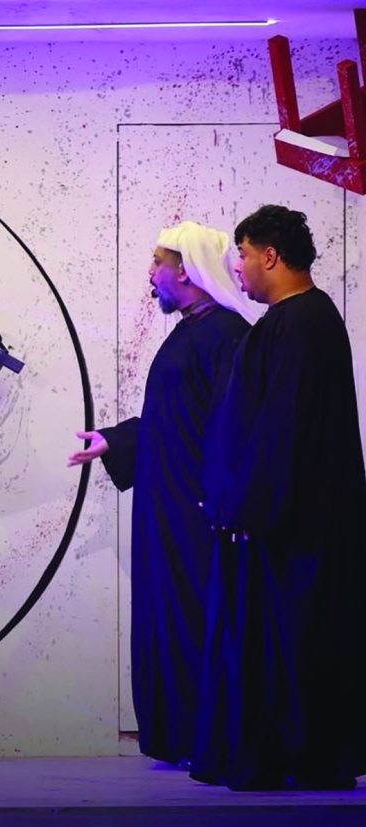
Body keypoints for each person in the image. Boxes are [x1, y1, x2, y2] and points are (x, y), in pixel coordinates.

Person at [190, 205, 366, 790]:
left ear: (269, 255)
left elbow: (283, 427)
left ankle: (297, 758)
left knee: (292, 644)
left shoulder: (302, 322)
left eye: (242, 255)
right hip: (281, 519)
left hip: (292, 529)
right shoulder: (296, 320)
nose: (237, 267)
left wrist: (249, 505)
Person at [68, 221, 252, 765]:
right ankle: (180, 736)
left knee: (197, 613)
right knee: (167, 613)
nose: (151, 273)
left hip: (196, 509)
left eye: (158, 262)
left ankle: (209, 737)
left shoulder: (226, 335)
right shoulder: (192, 331)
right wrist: (116, 439)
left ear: (187, 271)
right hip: (168, 505)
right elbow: (174, 418)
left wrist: (216, 500)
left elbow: (231, 428)